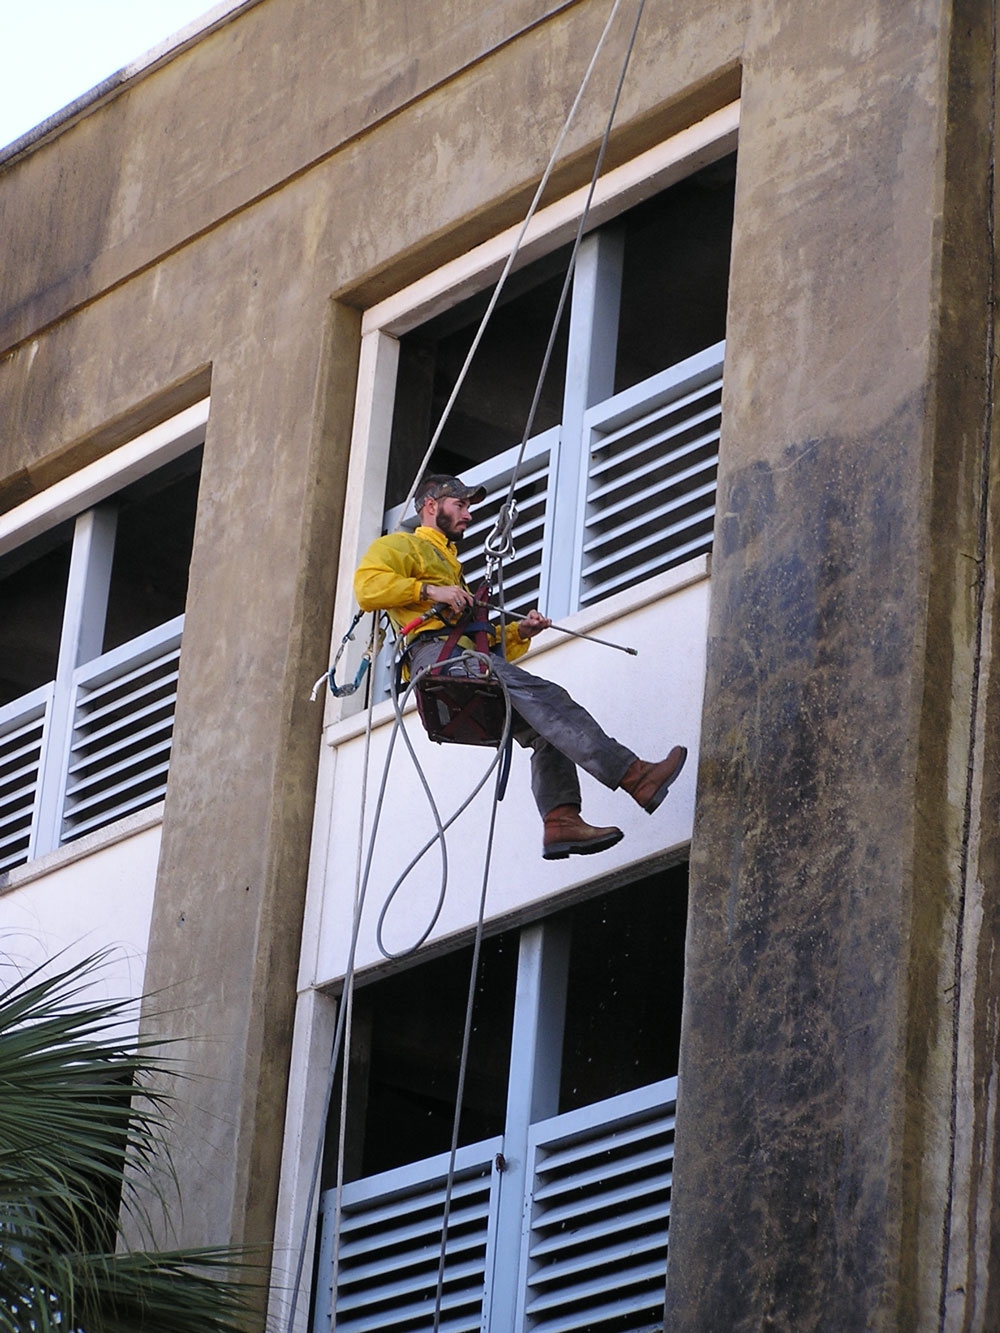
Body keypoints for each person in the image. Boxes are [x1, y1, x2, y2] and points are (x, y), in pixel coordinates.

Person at [354, 474, 687, 860]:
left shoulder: (449, 566)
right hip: (439, 662)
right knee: (548, 698)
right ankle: (634, 775)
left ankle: (561, 819)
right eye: (460, 505)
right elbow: (367, 587)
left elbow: (476, 640)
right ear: (431, 506)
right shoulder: (404, 546)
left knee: (546, 730)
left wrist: (518, 632)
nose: (468, 515)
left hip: (460, 661)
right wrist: (430, 590)